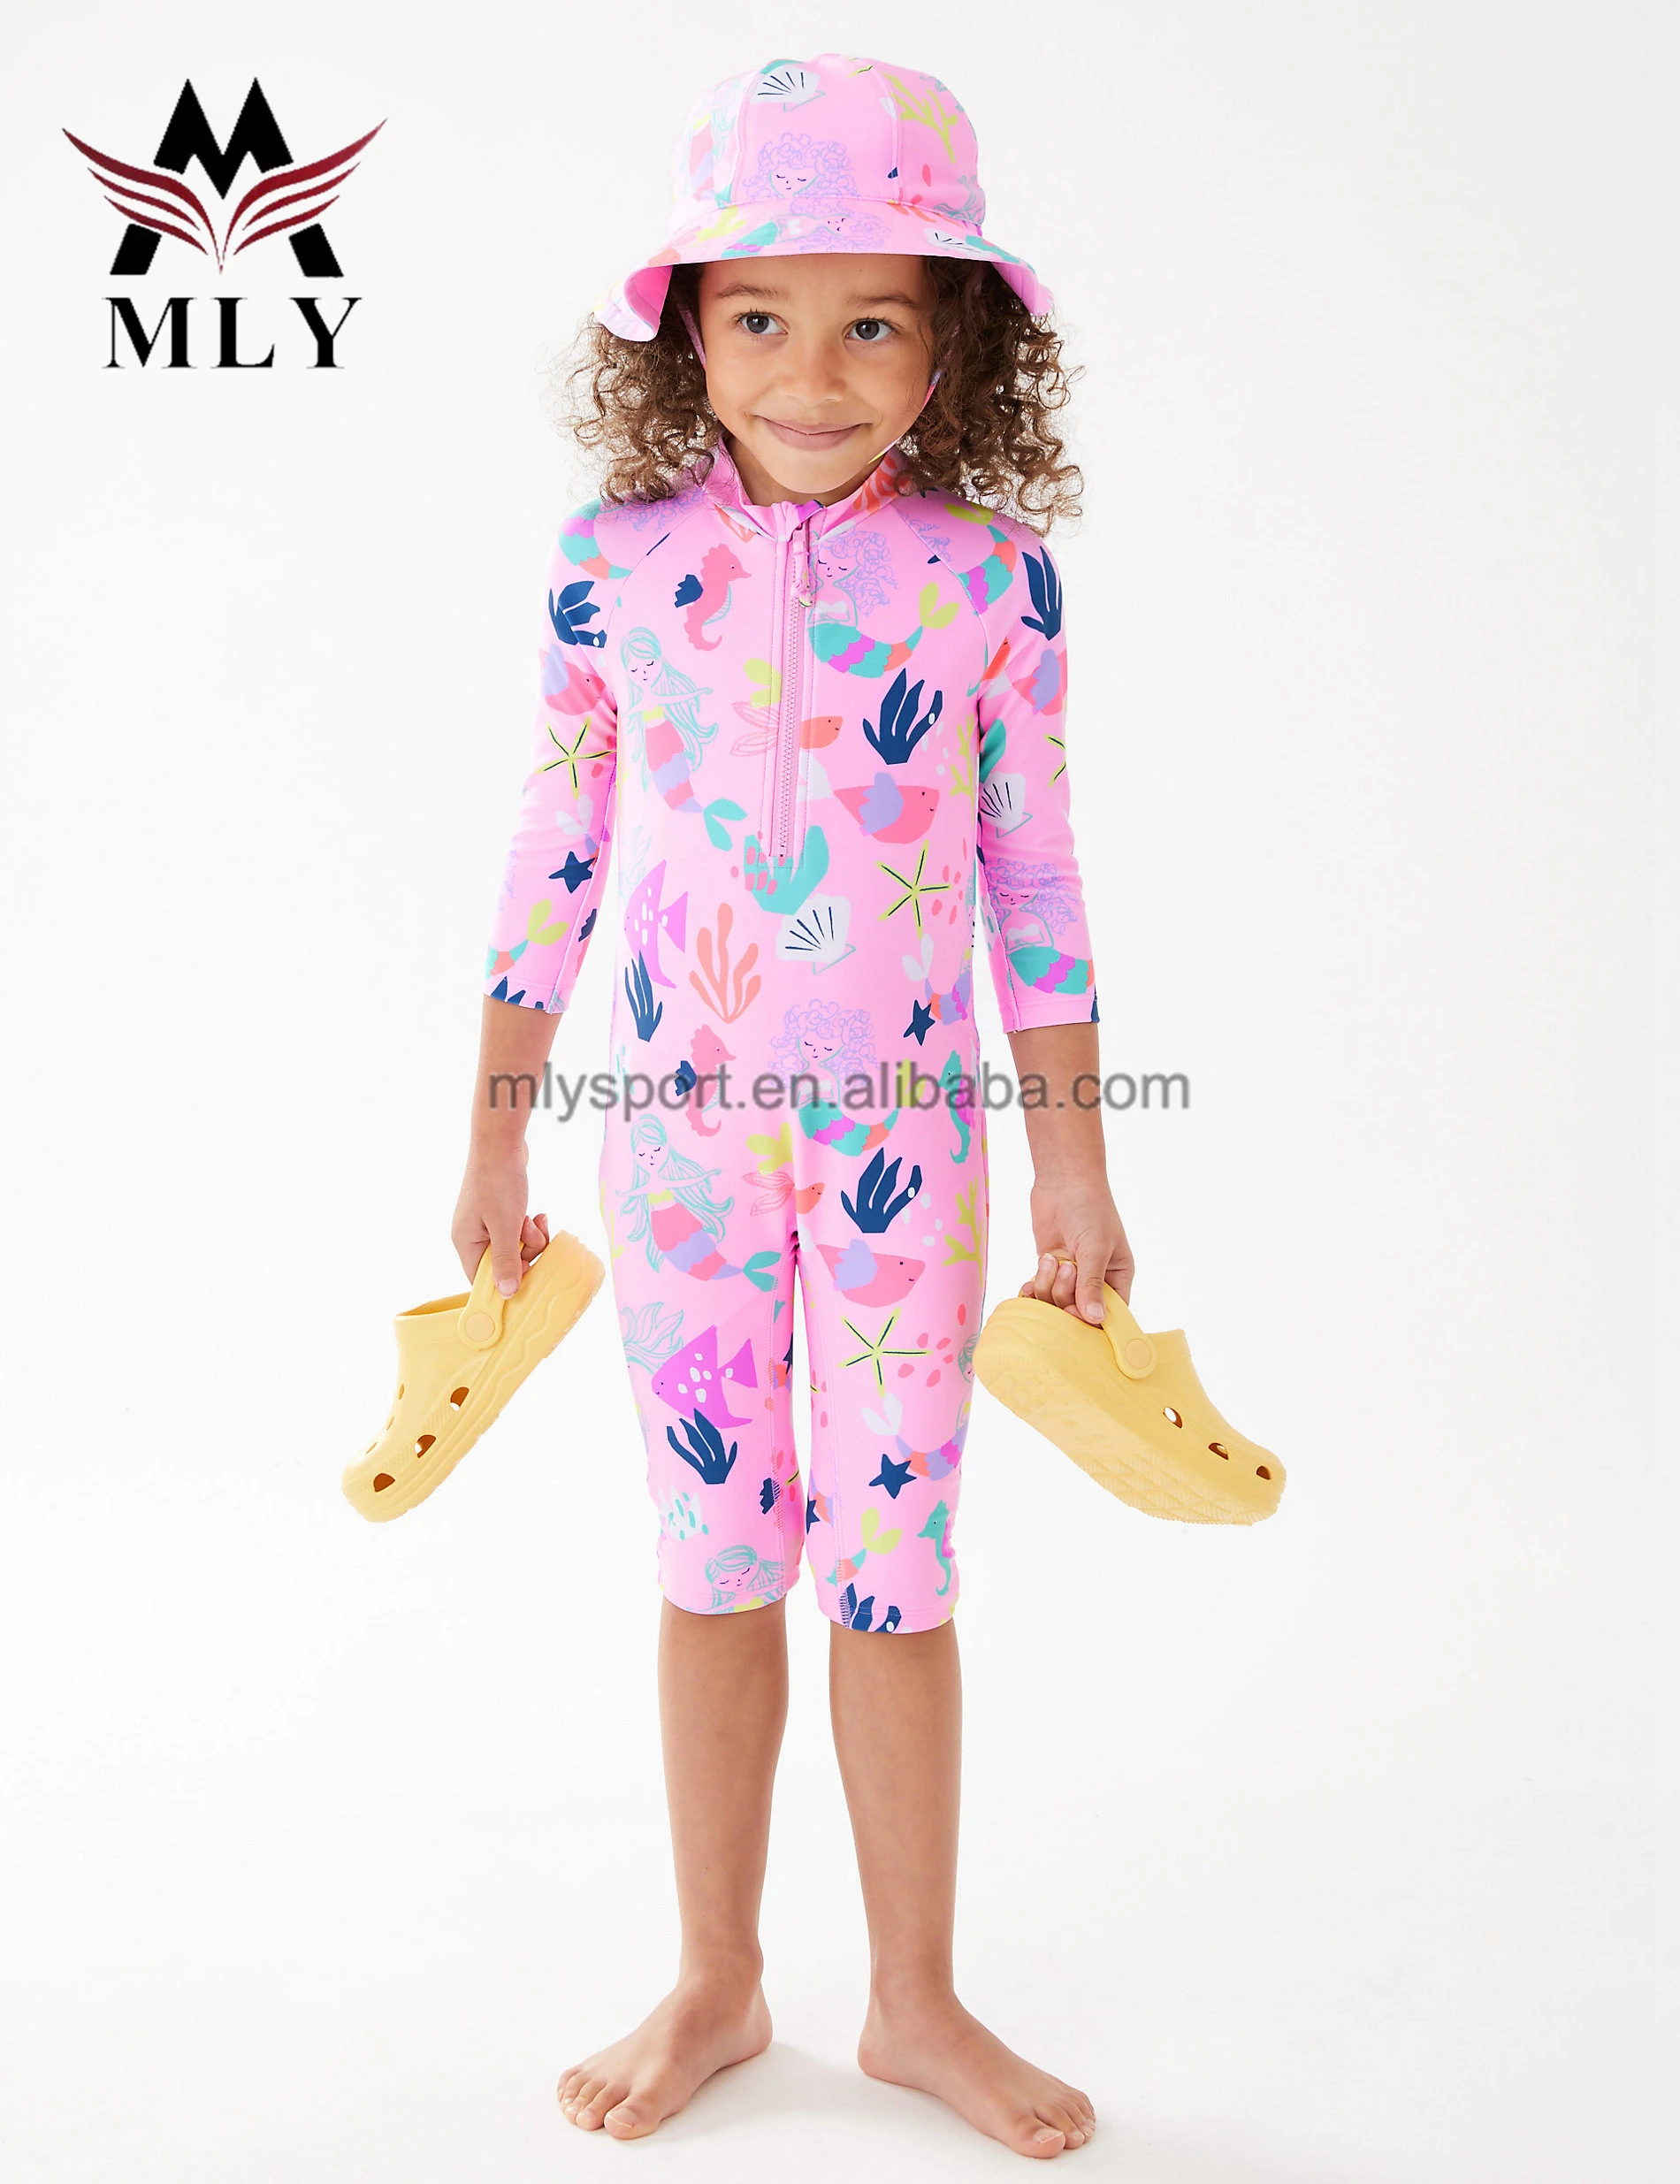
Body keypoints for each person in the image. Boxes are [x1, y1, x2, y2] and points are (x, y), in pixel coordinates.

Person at [454, 51, 1131, 2160]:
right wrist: (492, 1129)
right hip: (673, 1150)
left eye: (870, 325)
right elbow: (557, 851)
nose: (809, 374)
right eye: (759, 316)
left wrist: (1076, 1165)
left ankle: (912, 1997)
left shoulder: (986, 581)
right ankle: (718, 1971)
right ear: (685, 329)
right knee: (713, 1555)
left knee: (895, 1570)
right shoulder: (610, 565)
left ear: (953, 348)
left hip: (906, 1153)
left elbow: (1030, 877)